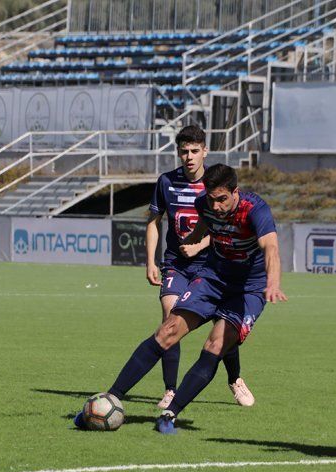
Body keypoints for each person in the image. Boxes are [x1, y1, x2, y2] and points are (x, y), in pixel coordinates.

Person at [75, 164, 286, 434]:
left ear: (235, 192)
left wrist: (274, 282)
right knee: (168, 331)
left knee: (216, 343)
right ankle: (110, 399)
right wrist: (194, 241)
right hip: (213, 277)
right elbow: (205, 224)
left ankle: (170, 414)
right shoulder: (204, 204)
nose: (216, 205)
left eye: (222, 199)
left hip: (249, 288)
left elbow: (271, 247)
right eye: (211, 199)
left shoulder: (256, 209)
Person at [146, 125, 254, 408]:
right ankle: (170, 390)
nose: (189, 157)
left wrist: (198, 245)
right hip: (176, 264)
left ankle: (235, 379)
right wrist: (150, 261)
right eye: (184, 151)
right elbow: (153, 223)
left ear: (205, 151)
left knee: (224, 322)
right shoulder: (166, 182)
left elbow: (225, 226)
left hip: (212, 265)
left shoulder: (216, 183)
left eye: (195, 151)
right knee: (170, 314)